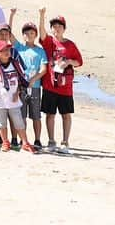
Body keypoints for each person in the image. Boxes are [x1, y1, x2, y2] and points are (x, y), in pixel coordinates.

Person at [39, 9, 83, 154]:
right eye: (54, 26)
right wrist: (41, 16)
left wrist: (69, 61)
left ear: (64, 28)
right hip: (50, 85)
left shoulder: (70, 45)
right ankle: (51, 141)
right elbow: (42, 34)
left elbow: (79, 62)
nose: (57, 28)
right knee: (49, 114)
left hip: (65, 87)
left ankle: (65, 142)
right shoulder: (49, 42)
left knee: (66, 115)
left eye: (59, 26)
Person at [0, 39, 36, 153]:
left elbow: (21, 80)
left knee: (19, 122)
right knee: (1, 123)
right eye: (3, 51)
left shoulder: (16, 64)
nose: (7, 52)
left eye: (8, 49)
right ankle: (5, 142)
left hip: (14, 100)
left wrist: (18, 92)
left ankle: (25, 142)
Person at [10, 14, 48, 147]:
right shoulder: (19, 47)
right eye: (26, 33)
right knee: (21, 115)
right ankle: (23, 139)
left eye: (32, 32)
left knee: (36, 115)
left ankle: (37, 140)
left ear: (35, 35)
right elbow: (9, 34)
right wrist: (12, 15)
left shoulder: (40, 51)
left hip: (35, 86)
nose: (29, 35)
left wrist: (33, 79)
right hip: (21, 87)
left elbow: (43, 69)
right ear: (23, 35)